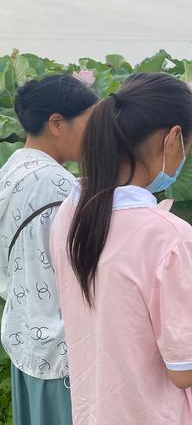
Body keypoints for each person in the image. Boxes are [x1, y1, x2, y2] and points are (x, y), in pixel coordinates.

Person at [49, 73, 192, 425]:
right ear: (173, 139)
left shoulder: (69, 211)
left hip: (93, 409)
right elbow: (186, 370)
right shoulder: (170, 238)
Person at [0, 75, 97, 425]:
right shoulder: (58, 185)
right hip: (62, 351)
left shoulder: (12, 169)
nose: (95, 134)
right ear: (57, 123)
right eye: (90, 122)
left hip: (25, 337)